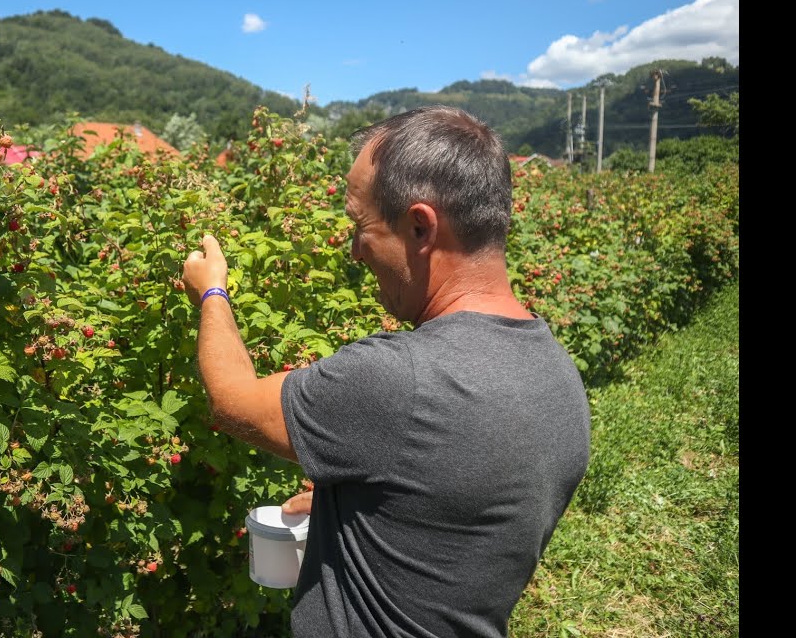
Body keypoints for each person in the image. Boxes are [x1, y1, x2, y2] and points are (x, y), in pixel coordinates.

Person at [181, 105, 590, 638]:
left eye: (360, 225)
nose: (354, 250)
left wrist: (211, 291)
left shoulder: (399, 379)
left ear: (420, 225)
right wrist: (359, 511)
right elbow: (459, 510)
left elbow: (232, 401)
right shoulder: (556, 373)